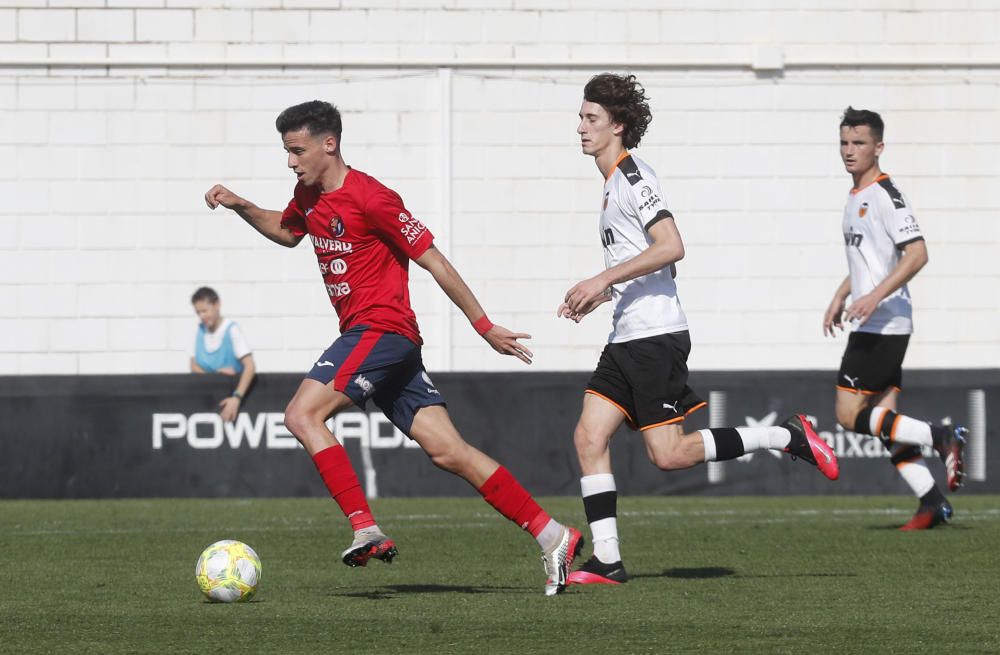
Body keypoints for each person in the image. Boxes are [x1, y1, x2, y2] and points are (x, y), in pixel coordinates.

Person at [204, 100, 582, 596]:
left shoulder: (373, 197)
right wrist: (241, 205)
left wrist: (483, 324)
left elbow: (435, 261)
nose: (291, 161)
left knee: (301, 415)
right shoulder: (308, 194)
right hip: (381, 342)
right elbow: (286, 231)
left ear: (329, 144)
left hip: (381, 332)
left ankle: (364, 526)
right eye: (287, 152)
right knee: (450, 452)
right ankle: (554, 536)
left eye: (296, 151)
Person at [558, 73, 840, 586]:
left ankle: (785, 435)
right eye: (580, 116)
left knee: (668, 455)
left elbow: (671, 246)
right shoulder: (611, 184)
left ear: (618, 125)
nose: (580, 127)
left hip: (653, 337)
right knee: (587, 437)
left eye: (590, 119)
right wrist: (605, 295)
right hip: (626, 334)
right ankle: (608, 560)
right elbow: (651, 264)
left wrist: (602, 276)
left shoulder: (633, 176)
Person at [823, 107, 967, 530]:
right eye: (845, 143)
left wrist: (873, 297)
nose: (850, 151)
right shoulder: (855, 196)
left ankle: (942, 437)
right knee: (888, 425)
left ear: (879, 147)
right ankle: (932, 502)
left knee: (847, 415)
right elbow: (870, 262)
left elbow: (917, 252)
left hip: (883, 324)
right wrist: (841, 294)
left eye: (860, 143)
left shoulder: (885, 195)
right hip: (877, 319)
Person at [190, 286, 257, 423]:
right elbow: (193, 365)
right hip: (206, 405)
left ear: (217, 305)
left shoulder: (232, 330)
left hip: (234, 404)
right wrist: (215, 375)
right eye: (198, 312)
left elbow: (250, 366)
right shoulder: (198, 330)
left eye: (204, 311)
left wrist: (236, 398)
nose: (202, 316)